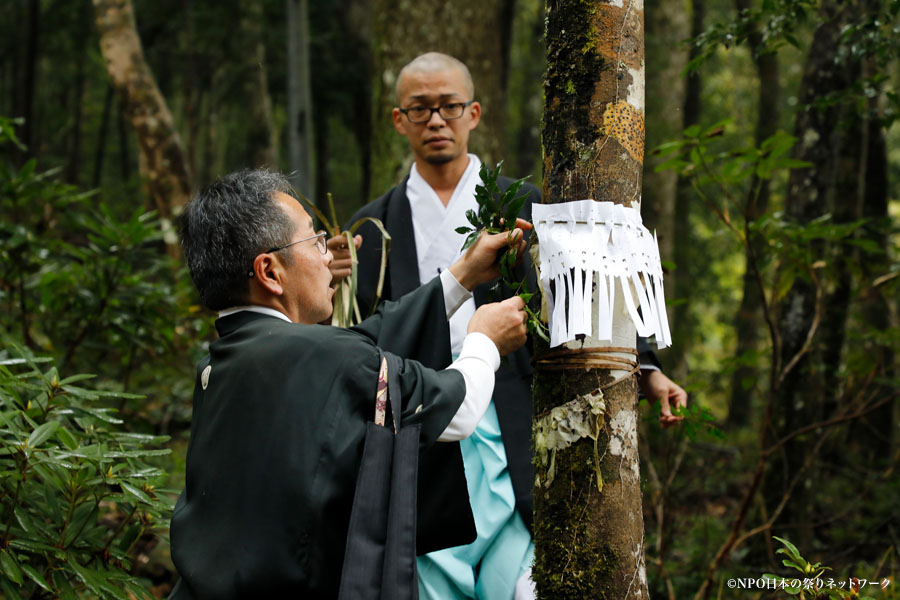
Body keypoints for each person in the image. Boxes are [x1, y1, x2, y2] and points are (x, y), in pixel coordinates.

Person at [337, 53, 688, 600]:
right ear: (398, 119)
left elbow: (586, 287)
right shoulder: (376, 226)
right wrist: (335, 282)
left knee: (520, 578)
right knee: (428, 573)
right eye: (420, 109)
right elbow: (355, 338)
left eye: (449, 107)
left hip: (507, 422)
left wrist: (645, 366)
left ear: (473, 113)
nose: (436, 121)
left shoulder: (523, 206)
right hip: (421, 425)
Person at [169, 168, 533, 599]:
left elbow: (358, 345)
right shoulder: (322, 357)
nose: (327, 257)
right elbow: (457, 412)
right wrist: (484, 341)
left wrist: (460, 277)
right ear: (269, 271)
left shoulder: (226, 360)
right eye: (313, 241)